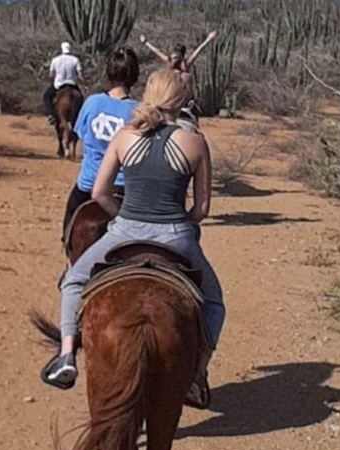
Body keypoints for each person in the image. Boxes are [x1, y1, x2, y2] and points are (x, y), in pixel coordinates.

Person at [46, 69, 226, 408]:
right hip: (176, 235)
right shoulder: (195, 142)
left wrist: (122, 215)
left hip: (126, 229)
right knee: (214, 303)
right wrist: (181, 223)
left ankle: (67, 356)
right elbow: (201, 208)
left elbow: (99, 192)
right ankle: (196, 375)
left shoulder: (125, 136)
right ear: (182, 100)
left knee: (73, 281)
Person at [62, 46, 140, 236]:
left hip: (90, 184)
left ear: (108, 73)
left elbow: (81, 136)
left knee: (70, 222)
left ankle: (69, 255)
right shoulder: (140, 111)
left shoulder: (92, 102)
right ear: (134, 77)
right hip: (126, 188)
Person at [139, 32, 217, 131]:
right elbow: (198, 50)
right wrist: (208, 39)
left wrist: (146, 42)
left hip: (175, 101)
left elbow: (157, 52)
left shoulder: (172, 63)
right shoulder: (185, 65)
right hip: (182, 103)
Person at [44, 42, 84, 126]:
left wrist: (51, 79)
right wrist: (84, 82)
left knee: (47, 96)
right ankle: (81, 117)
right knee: (81, 99)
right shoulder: (75, 60)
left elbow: (51, 75)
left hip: (58, 85)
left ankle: (50, 115)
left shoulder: (55, 59)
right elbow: (80, 75)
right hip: (72, 85)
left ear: (61, 48)